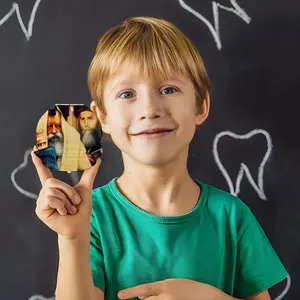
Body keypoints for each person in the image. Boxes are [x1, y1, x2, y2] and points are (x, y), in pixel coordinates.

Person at [31, 16, 288, 300]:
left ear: (200, 106)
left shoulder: (231, 217)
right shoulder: (91, 216)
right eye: (127, 94)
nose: (150, 109)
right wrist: (72, 239)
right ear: (102, 116)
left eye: (168, 90)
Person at [33, 107, 92, 172]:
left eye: (58, 125)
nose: (54, 131)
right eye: (49, 126)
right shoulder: (36, 154)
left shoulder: (76, 145)